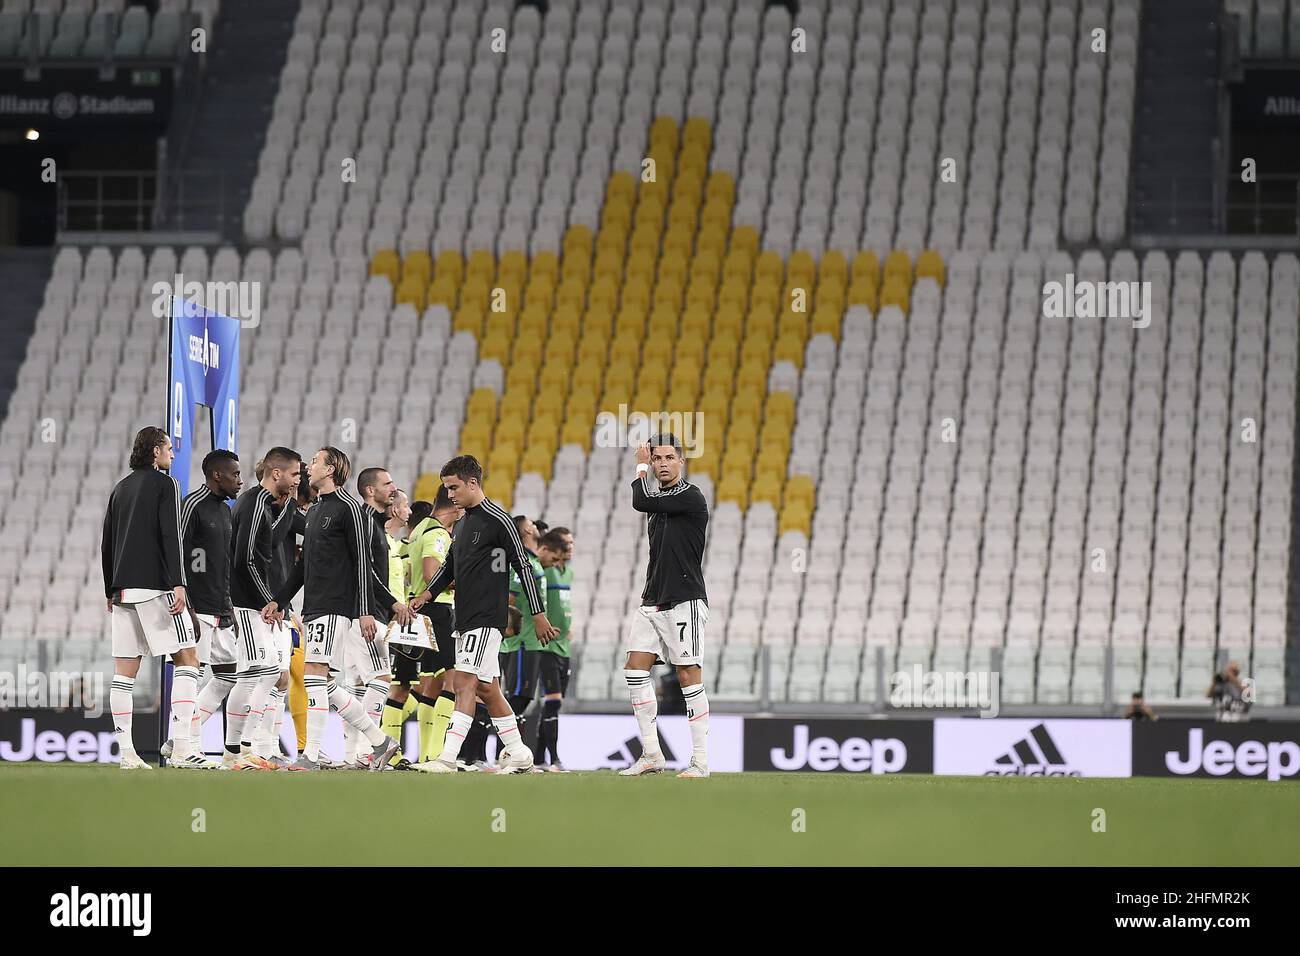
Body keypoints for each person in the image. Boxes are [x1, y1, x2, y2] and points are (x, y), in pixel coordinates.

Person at [261, 447, 408, 770]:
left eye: (314, 462)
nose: (308, 467)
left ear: (329, 470)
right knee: (322, 680)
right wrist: (279, 599)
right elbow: (302, 567)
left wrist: (366, 609)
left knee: (316, 674)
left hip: (335, 604)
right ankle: (379, 741)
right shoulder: (314, 511)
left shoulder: (349, 510)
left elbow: (361, 563)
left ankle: (312, 755)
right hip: (314, 604)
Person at [409, 455, 556, 773]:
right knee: (488, 688)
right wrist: (428, 593)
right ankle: (518, 753)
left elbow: (523, 565)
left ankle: (447, 758)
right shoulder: (462, 523)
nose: (450, 495)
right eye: (447, 489)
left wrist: (538, 613)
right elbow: (449, 565)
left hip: (486, 617)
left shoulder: (497, 520)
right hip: (464, 617)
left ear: (472, 483)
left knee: (463, 682)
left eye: (454, 487)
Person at [101, 426, 205, 770]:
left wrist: (109, 590)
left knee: (124, 672)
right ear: (155, 452)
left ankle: (127, 754)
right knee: (188, 659)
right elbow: (170, 535)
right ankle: (182, 747)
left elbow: (107, 542)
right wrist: (179, 583)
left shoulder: (121, 488)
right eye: (168, 449)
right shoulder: (166, 485)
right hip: (156, 588)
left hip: (123, 591)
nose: (172, 455)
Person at [621, 435, 711, 778]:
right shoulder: (659, 504)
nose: (661, 464)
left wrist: (639, 465)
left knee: (688, 675)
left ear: (681, 461)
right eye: (656, 458)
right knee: (634, 670)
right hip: (653, 599)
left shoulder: (690, 496)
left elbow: (639, 500)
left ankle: (700, 761)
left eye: (668, 458)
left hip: (684, 599)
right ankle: (652, 754)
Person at [160, 449, 242, 765]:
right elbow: (175, 555)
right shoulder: (192, 505)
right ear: (217, 474)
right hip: (197, 608)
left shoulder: (224, 511)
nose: (240, 479)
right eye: (235, 474)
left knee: (228, 675)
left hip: (221, 608)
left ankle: (176, 740)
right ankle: (186, 749)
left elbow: (224, 565)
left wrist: (229, 605)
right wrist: (188, 606)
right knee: (192, 672)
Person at [227, 446, 300, 770]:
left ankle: (242, 749)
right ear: (277, 473)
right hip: (248, 602)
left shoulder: (264, 504)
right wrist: (266, 601)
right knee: (259, 669)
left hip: (254, 602)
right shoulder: (256, 503)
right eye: (295, 474)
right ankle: (235, 751)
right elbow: (244, 559)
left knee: (265, 670)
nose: (298, 481)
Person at [390, 489, 461, 764]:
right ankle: (435, 754)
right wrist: (465, 580)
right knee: (451, 681)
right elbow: (433, 575)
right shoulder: (437, 533)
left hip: (414, 611)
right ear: (454, 505)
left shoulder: (418, 530)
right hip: (436, 610)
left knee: (422, 684)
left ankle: (416, 754)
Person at [500, 515, 547, 747]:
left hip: (532, 640)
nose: (536, 526)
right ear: (527, 530)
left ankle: (510, 753)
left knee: (522, 698)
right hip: (521, 641)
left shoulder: (534, 561)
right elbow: (511, 600)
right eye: (531, 523)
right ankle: (505, 753)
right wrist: (512, 632)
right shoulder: (521, 562)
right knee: (517, 698)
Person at [536, 528, 574, 771]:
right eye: (567, 543)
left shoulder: (567, 573)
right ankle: (554, 759)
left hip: (565, 648)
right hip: (548, 646)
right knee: (553, 701)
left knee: (554, 704)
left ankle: (539, 758)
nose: (571, 547)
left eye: (572, 543)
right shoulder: (546, 572)